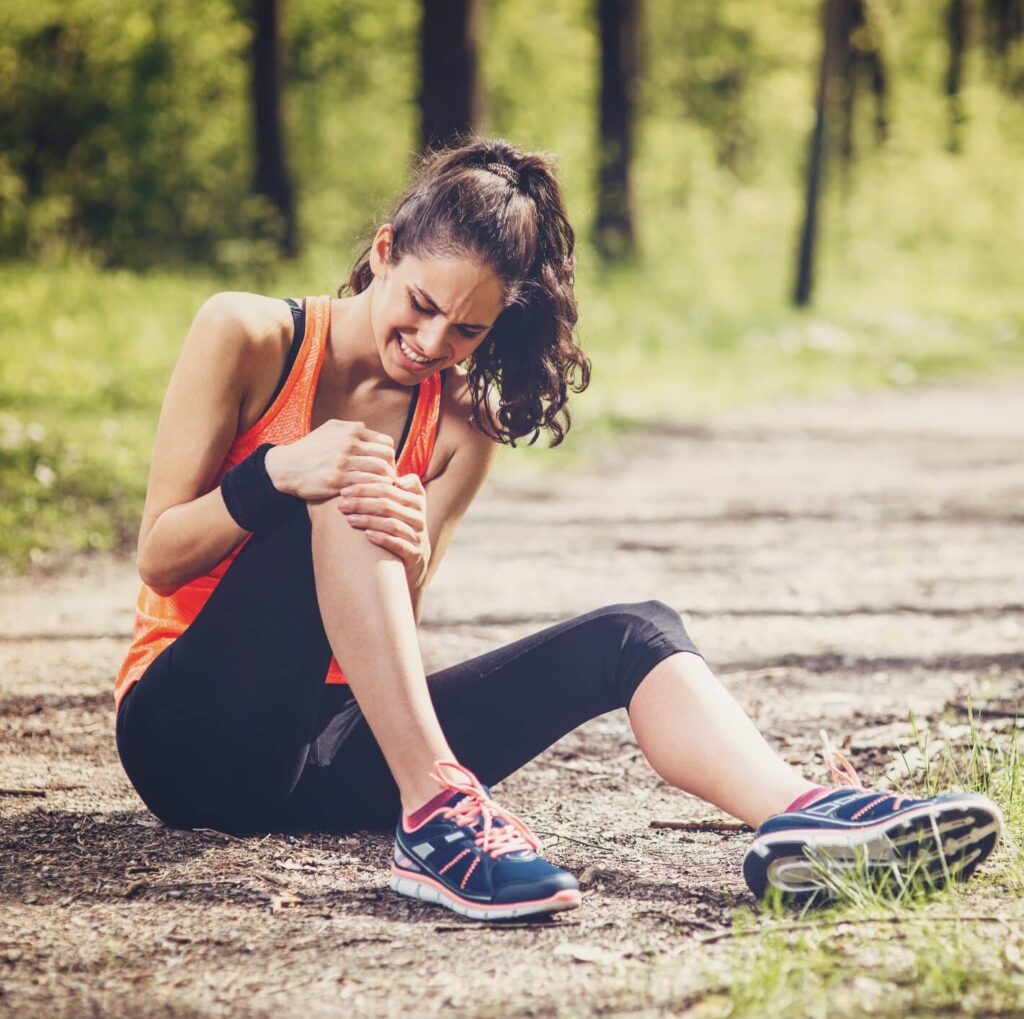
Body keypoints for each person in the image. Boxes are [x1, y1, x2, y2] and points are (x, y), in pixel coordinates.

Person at [114, 139, 1003, 921]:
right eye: (420, 304)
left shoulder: (460, 426)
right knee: (349, 482)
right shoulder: (250, 333)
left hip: (319, 753)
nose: (431, 341)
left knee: (634, 633)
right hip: (186, 732)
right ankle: (438, 815)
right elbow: (157, 554)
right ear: (383, 252)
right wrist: (275, 474)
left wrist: (411, 552)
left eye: (467, 329)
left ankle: (803, 814)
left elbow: (377, 636)